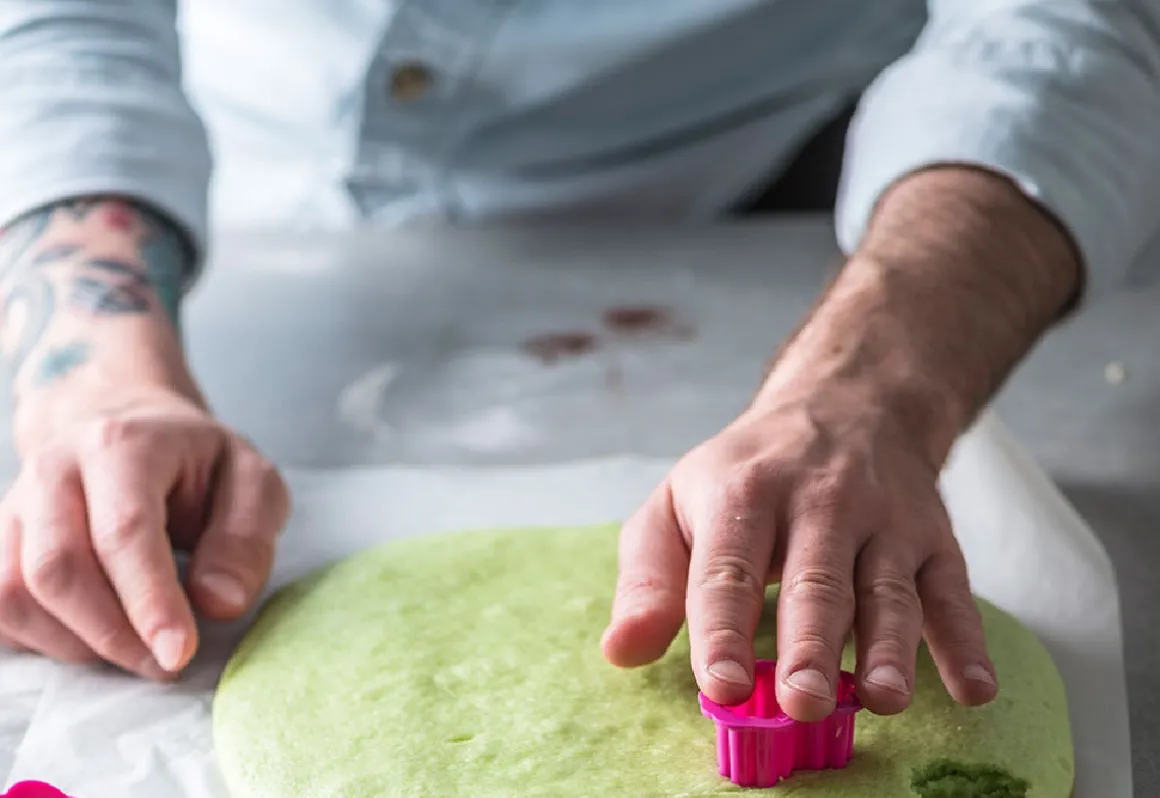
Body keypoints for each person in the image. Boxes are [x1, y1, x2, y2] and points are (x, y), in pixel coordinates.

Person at [0, 2, 1158, 724]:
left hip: (742, 189)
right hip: (238, 185)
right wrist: (95, 371)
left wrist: (869, 390)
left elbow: (1062, 30)